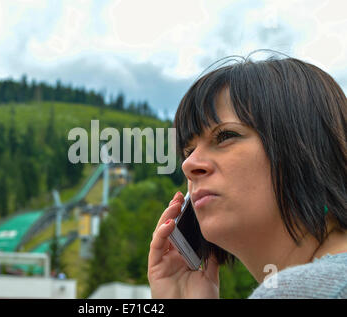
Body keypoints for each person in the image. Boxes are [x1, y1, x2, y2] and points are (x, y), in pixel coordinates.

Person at [148, 53, 347, 299]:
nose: (189, 164)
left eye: (225, 136)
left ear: (305, 146)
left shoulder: (299, 290)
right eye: (188, 151)